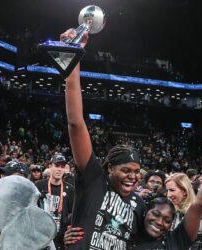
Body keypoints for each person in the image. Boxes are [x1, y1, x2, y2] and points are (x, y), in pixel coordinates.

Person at [64, 28, 147, 250]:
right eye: (126, 170)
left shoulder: (140, 205)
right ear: (110, 168)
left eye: (137, 171)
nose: (133, 176)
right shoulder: (94, 180)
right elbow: (75, 122)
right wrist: (75, 56)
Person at [64, 144, 202, 249]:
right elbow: (109, 228)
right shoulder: (133, 238)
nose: (160, 222)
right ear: (145, 214)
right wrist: (74, 237)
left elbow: (197, 205)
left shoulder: (174, 241)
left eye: (167, 220)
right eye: (155, 214)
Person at [35, 153, 75, 249]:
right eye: (56, 166)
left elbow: (73, 215)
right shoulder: (38, 186)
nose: (60, 169)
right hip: (40, 236)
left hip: (60, 240)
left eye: (62, 166)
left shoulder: (70, 189)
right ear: (50, 166)